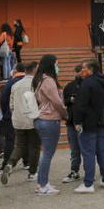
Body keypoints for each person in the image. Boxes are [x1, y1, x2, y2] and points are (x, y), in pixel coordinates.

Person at [72, 59, 104, 193]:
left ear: (90, 69)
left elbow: (80, 105)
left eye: (84, 68)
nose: (82, 70)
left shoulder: (87, 83)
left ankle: (88, 183)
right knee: (101, 150)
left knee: (88, 152)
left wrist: (77, 122)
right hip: (102, 120)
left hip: (89, 122)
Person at [32, 54, 67, 195]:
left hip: (41, 118)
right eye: (56, 64)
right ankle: (43, 185)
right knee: (47, 154)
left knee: (45, 153)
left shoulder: (40, 79)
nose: (58, 67)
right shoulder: (49, 81)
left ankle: (42, 183)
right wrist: (65, 114)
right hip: (50, 119)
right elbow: (57, 101)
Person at [2, 61, 40, 185]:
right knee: (34, 146)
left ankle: (10, 164)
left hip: (18, 119)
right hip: (32, 119)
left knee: (19, 145)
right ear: (34, 70)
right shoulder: (36, 84)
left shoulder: (15, 85)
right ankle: (32, 172)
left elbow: (11, 104)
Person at [0, 64, 23, 171]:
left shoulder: (10, 83)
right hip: (28, 116)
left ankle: (7, 163)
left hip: (12, 115)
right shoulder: (31, 81)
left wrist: (6, 113)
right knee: (29, 139)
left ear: (15, 71)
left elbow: (4, 99)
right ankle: (29, 163)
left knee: (10, 140)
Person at [62, 65, 85, 183]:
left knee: (86, 148)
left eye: (82, 72)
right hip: (71, 121)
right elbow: (64, 101)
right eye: (79, 72)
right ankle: (74, 171)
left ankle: (88, 171)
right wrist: (70, 100)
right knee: (74, 149)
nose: (80, 74)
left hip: (84, 121)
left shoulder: (88, 85)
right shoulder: (69, 86)